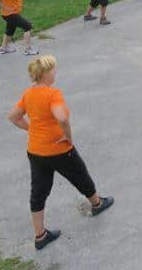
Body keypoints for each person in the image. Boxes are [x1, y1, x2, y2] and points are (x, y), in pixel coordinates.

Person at [7, 55, 114, 250]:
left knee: (38, 191)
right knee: (80, 174)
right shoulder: (52, 94)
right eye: (54, 70)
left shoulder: (28, 93)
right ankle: (97, 204)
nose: (56, 73)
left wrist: (31, 129)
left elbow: (13, 117)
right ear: (46, 73)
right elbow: (62, 117)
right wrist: (68, 137)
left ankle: (40, 236)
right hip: (58, 148)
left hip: (36, 151)